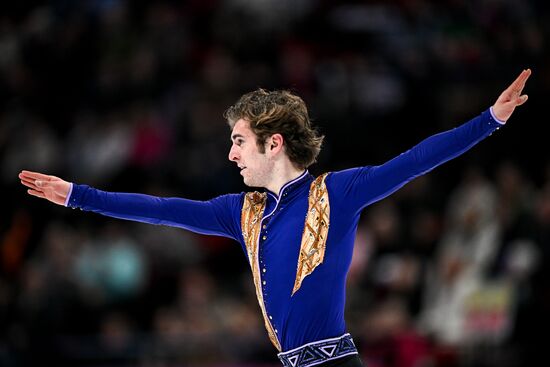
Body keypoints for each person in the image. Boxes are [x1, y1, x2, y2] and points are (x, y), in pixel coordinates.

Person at [19, 69, 531, 367]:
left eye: (239, 141)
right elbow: (160, 210)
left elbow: (415, 160)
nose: (231, 154)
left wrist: (489, 121)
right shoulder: (242, 214)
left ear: (274, 143)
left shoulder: (336, 194)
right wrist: (77, 196)